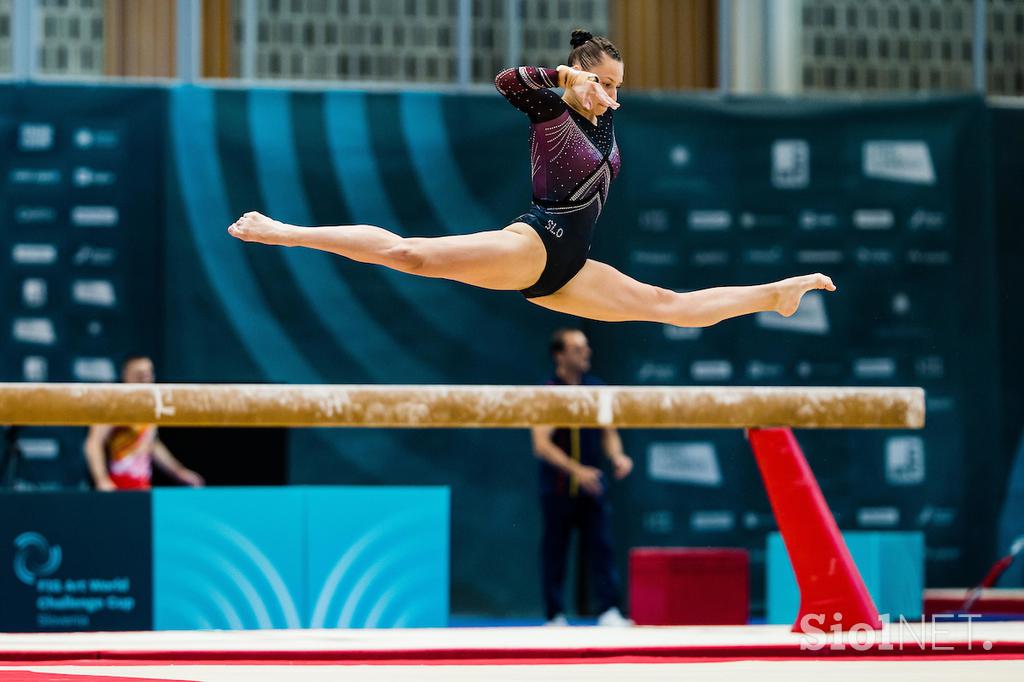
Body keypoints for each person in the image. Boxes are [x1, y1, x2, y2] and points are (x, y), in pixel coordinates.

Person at [227, 30, 836, 328]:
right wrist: (565, 82)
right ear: (579, 75)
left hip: (571, 269)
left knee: (668, 306)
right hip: (537, 242)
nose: (613, 94)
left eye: (620, 85)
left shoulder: (603, 120)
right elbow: (507, 82)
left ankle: (775, 295)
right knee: (412, 254)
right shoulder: (553, 109)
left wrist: (596, 95)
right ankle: (283, 231)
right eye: (604, 81)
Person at [531, 328, 632, 626]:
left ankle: (609, 611)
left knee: (602, 547)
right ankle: (555, 615)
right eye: (577, 349)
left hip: (592, 486)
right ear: (559, 355)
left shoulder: (596, 389)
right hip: (559, 486)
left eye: (586, 347)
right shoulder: (548, 392)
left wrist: (618, 456)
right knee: (555, 552)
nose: (586, 353)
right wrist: (577, 471)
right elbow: (541, 444)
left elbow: (609, 434)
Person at [83, 356, 204, 491]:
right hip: (118, 485)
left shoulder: (150, 409)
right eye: (139, 376)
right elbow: (93, 443)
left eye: (148, 375)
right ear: (126, 376)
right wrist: (101, 480)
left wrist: (179, 472)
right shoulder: (114, 407)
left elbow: (151, 445)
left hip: (142, 486)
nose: (145, 380)